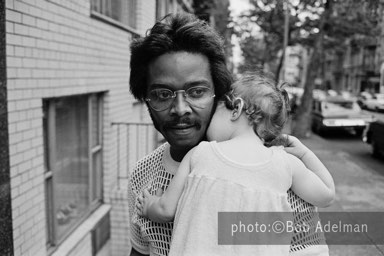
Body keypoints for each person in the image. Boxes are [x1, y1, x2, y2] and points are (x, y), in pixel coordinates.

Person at [128, 13, 328, 256]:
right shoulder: (142, 174)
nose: (180, 109)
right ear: (145, 100)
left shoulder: (280, 181)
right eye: (162, 94)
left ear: (220, 94)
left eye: (197, 91)